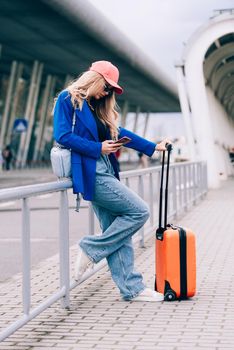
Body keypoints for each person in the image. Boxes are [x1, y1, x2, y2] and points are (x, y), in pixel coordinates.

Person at [53, 60, 171, 302]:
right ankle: (91, 248)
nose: (107, 93)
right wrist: (98, 147)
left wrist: (152, 146)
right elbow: (62, 135)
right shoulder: (68, 98)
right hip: (89, 170)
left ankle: (132, 289)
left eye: (111, 91)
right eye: (107, 87)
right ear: (95, 79)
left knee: (118, 231)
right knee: (139, 211)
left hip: (105, 168)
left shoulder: (98, 106)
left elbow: (120, 131)